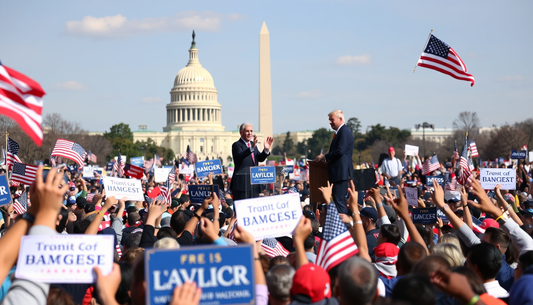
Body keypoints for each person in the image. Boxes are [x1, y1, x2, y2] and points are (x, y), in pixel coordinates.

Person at [316, 110, 354, 215]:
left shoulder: (344, 131)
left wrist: (325, 157)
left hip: (340, 174)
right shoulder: (340, 133)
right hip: (337, 174)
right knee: (337, 201)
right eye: (329, 120)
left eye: (332, 120)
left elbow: (340, 151)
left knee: (339, 202)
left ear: (340, 119)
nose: (330, 122)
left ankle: (343, 227)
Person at [230, 123, 273, 201]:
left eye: (251, 131)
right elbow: (240, 157)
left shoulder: (253, 145)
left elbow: (259, 158)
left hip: (254, 184)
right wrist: (251, 148)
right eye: (247, 131)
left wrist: (266, 150)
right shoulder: (236, 145)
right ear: (241, 133)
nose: (250, 133)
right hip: (241, 185)